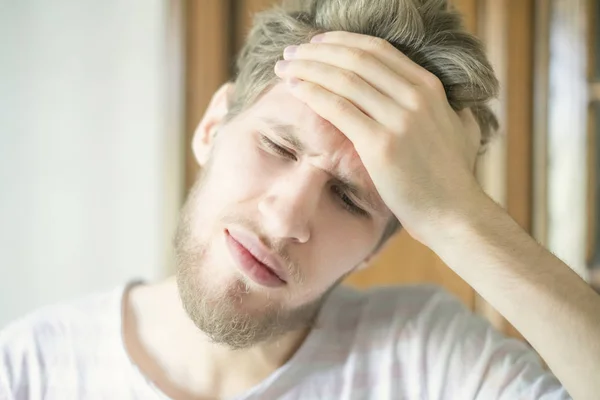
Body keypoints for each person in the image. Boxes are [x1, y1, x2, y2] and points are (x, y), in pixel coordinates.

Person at [1, 0, 599, 398]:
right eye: (278, 147)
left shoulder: (425, 359)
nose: (286, 218)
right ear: (213, 126)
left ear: (375, 248)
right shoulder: (28, 369)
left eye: (348, 198)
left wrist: (460, 219)